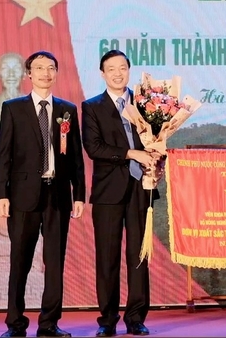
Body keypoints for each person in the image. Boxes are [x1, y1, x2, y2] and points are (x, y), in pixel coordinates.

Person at [0, 51, 85, 337]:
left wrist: (79, 195)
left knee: (55, 261)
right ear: (29, 74)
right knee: (20, 259)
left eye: (51, 68)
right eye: (39, 68)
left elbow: (75, 159)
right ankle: (15, 323)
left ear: (57, 73)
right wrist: (2, 195)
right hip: (22, 196)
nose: (46, 73)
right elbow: (4, 155)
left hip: (57, 194)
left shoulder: (67, 109)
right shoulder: (13, 108)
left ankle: (49, 324)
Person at [81, 49, 160, 337]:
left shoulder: (148, 104)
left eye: (122, 68)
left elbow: (156, 142)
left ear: (129, 70)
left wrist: (155, 161)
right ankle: (108, 321)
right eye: (111, 69)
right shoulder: (92, 107)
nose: (117, 73)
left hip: (142, 188)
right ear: (102, 74)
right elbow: (94, 148)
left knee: (139, 257)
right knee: (108, 258)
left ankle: (136, 317)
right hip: (108, 192)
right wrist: (131, 153)